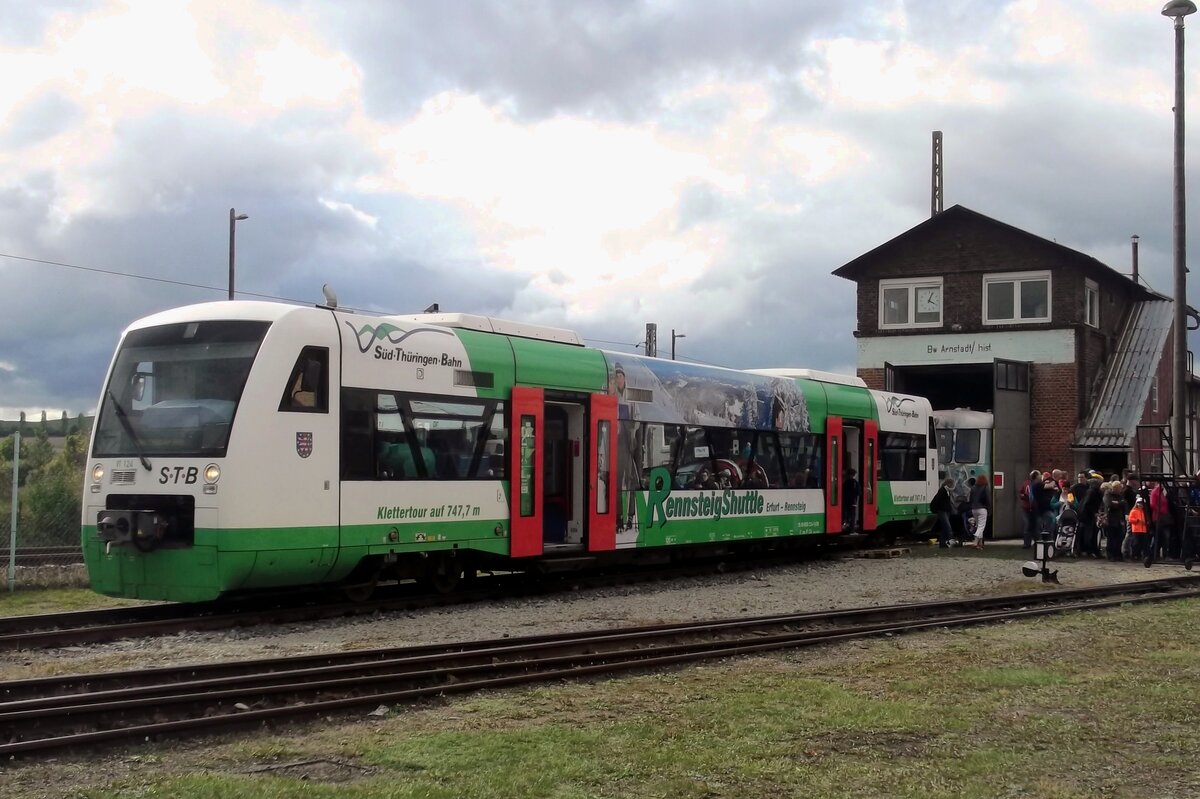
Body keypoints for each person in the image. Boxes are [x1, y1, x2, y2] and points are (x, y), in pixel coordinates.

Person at [1102, 481, 1129, 562]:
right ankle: (1111, 555)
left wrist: (1118, 503)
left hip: (1119, 520)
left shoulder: (1120, 496)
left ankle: (1118, 554)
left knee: (1119, 538)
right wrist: (1119, 503)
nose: (1120, 490)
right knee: (1111, 538)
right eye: (1119, 488)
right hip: (1110, 520)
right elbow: (1109, 504)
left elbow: (1125, 504)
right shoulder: (1107, 495)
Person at [930, 477, 955, 548]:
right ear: (949, 484)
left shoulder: (947, 491)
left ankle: (942, 543)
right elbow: (936, 500)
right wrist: (936, 509)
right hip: (942, 511)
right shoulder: (942, 491)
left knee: (944, 527)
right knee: (948, 526)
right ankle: (951, 541)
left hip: (946, 511)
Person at [968, 474, 991, 548]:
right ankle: (975, 541)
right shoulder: (985, 487)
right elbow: (988, 499)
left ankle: (980, 543)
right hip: (982, 508)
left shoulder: (973, 487)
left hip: (974, 509)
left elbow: (970, 499)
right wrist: (989, 508)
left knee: (978, 526)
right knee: (981, 526)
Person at [1020, 470, 1039, 549]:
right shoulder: (1025, 483)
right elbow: (1020, 492)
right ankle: (1027, 543)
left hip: (1035, 507)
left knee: (1036, 525)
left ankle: (1037, 542)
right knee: (1027, 525)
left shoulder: (1038, 484)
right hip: (1026, 507)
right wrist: (1023, 496)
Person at [1129, 496, 1150, 561]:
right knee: (1136, 543)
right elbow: (1130, 519)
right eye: (1139, 503)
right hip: (1136, 529)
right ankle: (1135, 555)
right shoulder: (1133, 511)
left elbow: (1147, 519)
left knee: (1144, 543)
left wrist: (1147, 522)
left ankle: (1143, 555)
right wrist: (1137, 520)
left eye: (1141, 503)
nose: (1140, 504)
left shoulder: (1144, 512)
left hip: (1143, 529)